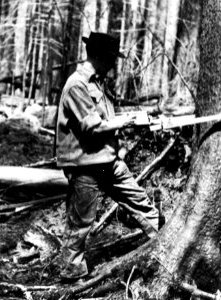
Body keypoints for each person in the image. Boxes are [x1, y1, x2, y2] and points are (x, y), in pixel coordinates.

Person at [55, 32, 160, 282]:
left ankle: (167, 243)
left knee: (139, 201)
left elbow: (107, 119)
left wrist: (132, 122)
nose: (114, 64)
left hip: (107, 160)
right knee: (80, 223)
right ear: (101, 57)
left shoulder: (98, 82)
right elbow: (93, 126)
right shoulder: (77, 85)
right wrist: (127, 121)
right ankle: (72, 276)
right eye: (112, 58)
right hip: (84, 165)